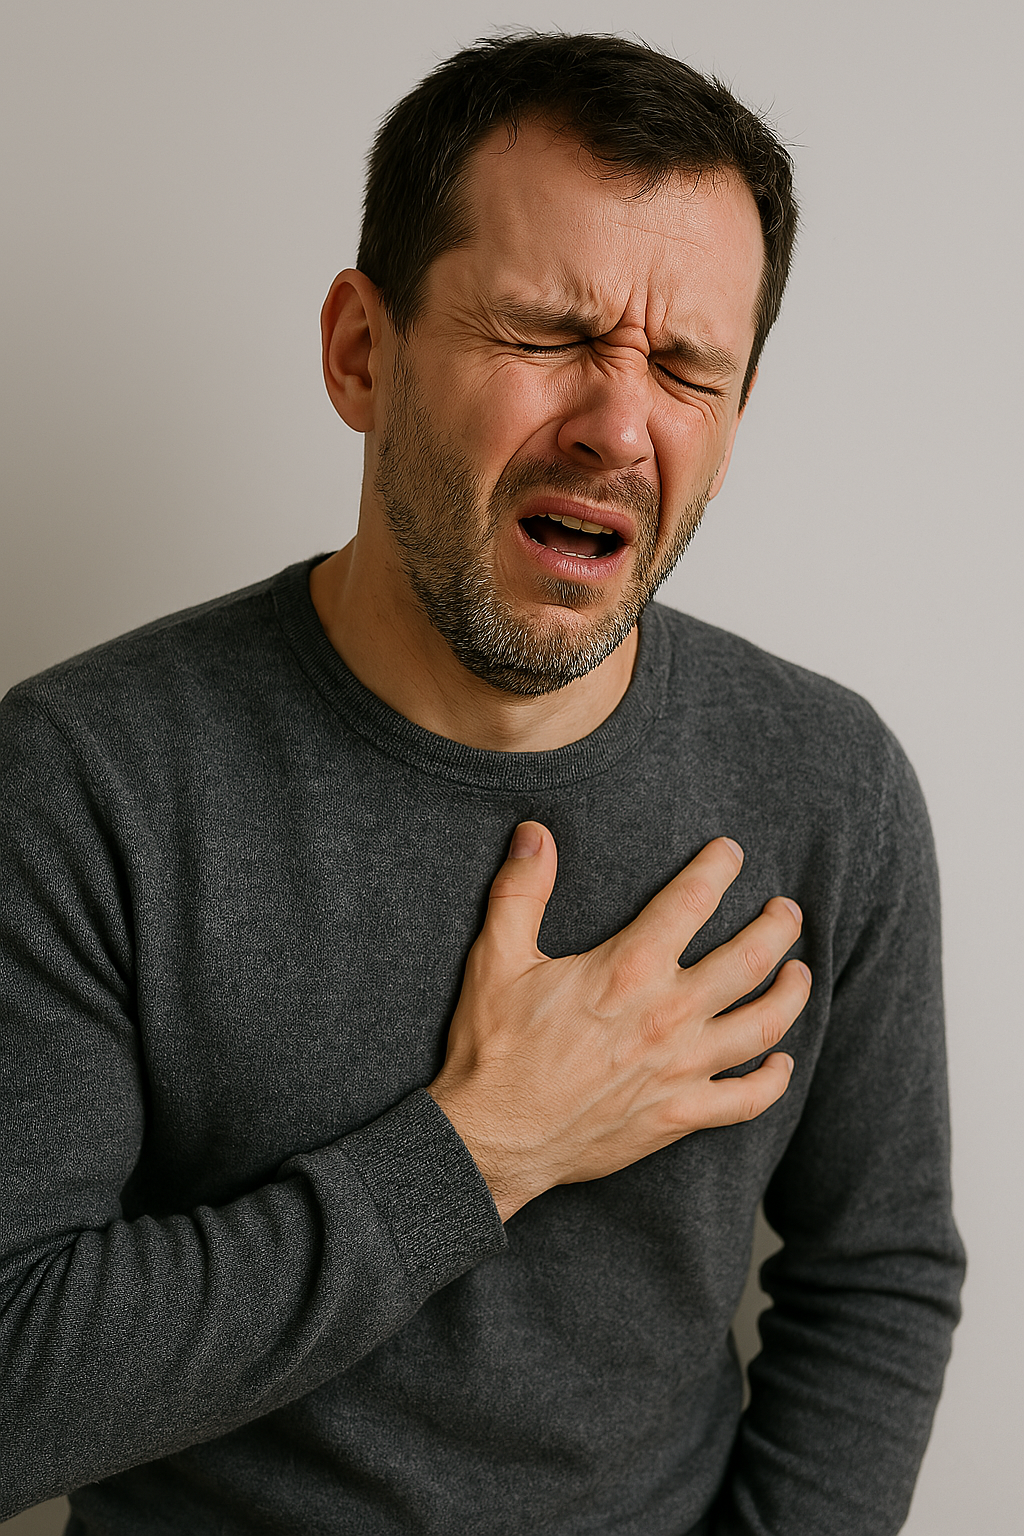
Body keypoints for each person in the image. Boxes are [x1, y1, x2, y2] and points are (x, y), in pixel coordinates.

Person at [0, 32, 964, 1536]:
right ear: (360, 352)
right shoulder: (83, 778)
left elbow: (878, 1278)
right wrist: (487, 1146)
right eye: (547, 333)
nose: (620, 425)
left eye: (688, 370)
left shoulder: (832, 787)